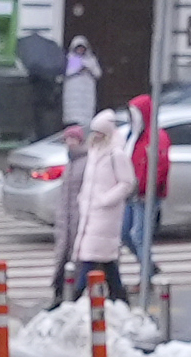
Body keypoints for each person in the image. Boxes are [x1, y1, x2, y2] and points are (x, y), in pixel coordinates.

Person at [71, 109, 134, 304]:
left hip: (105, 215)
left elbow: (127, 183)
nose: (94, 136)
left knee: (90, 257)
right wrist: (84, 199)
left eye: (98, 132)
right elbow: (90, 181)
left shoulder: (116, 154)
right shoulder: (94, 152)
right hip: (91, 211)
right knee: (106, 260)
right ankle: (120, 298)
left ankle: (75, 297)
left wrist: (105, 199)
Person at [121, 93, 171, 285]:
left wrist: (146, 188)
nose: (132, 117)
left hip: (146, 194)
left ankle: (146, 277)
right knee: (125, 234)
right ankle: (148, 265)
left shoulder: (157, 137)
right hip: (131, 193)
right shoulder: (133, 135)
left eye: (135, 113)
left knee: (139, 235)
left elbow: (159, 166)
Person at [48, 124, 87, 309]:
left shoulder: (85, 162)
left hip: (79, 217)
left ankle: (74, 296)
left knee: (78, 259)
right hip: (66, 218)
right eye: (67, 139)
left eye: (73, 139)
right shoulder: (70, 162)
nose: (69, 143)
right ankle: (58, 293)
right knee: (62, 257)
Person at [62, 37, 102, 128]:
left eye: (82, 48)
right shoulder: (71, 58)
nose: (80, 50)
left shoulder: (91, 59)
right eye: (78, 48)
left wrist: (89, 68)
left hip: (87, 90)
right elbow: (66, 73)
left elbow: (98, 73)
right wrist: (78, 69)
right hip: (73, 90)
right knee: (74, 113)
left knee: (86, 113)